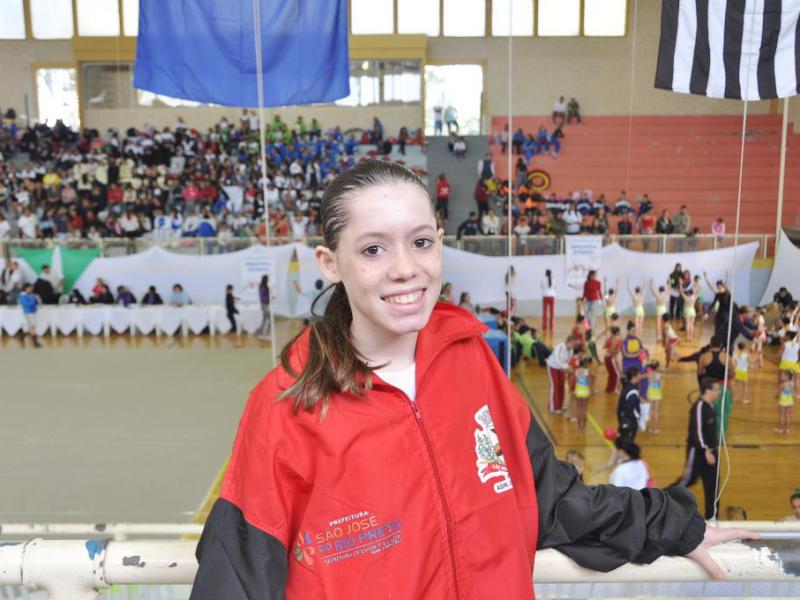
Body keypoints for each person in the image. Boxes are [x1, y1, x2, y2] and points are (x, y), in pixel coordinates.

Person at [190, 160, 750, 598]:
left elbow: (552, 499)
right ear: (330, 263)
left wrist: (674, 526)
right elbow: (234, 578)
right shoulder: (284, 407)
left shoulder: (471, 360)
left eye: (421, 242)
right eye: (373, 249)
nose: (405, 268)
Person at [669, 378, 721, 520]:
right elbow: (697, 432)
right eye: (717, 390)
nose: (719, 393)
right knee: (687, 481)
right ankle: (661, 498)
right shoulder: (699, 407)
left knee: (713, 486)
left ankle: (712, 517)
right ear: (708, 390)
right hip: (699, 453)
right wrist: (706, 450)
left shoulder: (711, 406)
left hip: (711, 453)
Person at [617, 367, 642, 442]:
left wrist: (638, 399)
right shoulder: (632, 391)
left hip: (621, 414)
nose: (640, 376)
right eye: (639, 375)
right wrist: (638, 416)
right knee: (629, 439)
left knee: (624, 435)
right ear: (634, 377)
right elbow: (630, 408)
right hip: (629, 418)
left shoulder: (628, 384)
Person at [573, 357, 594, 432]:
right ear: (585, 364)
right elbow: (589, 381)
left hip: (578, 390)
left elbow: (573, 380)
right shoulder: (587, 371)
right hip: (585, 390)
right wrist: (591, 390)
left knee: (579, 408)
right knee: (584, 409)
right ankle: (584, 427)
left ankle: (579, 427)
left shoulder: (576, 371)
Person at [18, 283, 42, 348]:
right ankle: (35, 343)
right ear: (25, 289)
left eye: (31, 288)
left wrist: (37, 299)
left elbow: (37, 303)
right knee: (32, 328)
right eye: (29, 288)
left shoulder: (32, 295)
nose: (30, 289)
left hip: (33, 312)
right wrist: (33, 300)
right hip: (28, 313)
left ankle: (22, 336)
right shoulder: (23, 296)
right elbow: (26, 304)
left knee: (33, 327)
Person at [645, 361, 663, 434]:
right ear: (657, 367)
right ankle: (655, 428)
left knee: (650, 411)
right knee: (656, 412)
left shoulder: (648, 374)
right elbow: (660, 384)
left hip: (650, 393)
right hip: (657, 394)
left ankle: (649, 428)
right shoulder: (660, 375)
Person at [776, 370, 796, 434]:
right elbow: (793, 393)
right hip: (790, 400)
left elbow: (779, 393)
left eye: (782, 375)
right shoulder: (792, 383)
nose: (781, 376)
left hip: (783, 400)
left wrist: (777, 396)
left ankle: (781, 429)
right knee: (788, 415)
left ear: (787, 377)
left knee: (781, 415)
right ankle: (787, 429)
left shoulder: (782, 384)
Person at [604, 326, 623, 393]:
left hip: (607, 357)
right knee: (617, 374)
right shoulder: (615, 339)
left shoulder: (610, 338)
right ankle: (615, 389)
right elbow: (611, 351)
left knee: (612, 374)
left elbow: (605, 347)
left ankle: (610, 388)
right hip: (610, 358)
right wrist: (618, 350)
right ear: (617, 332)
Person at [259, 275, 272, 340]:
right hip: (265, 305)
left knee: (265, 319)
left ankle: (262, 332)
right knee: (269, 319)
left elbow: (263, 296)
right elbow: (264, 297)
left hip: (263, 305)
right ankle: (266, 333)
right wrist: (269, 298)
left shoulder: (261, 286)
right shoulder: (264, 287)